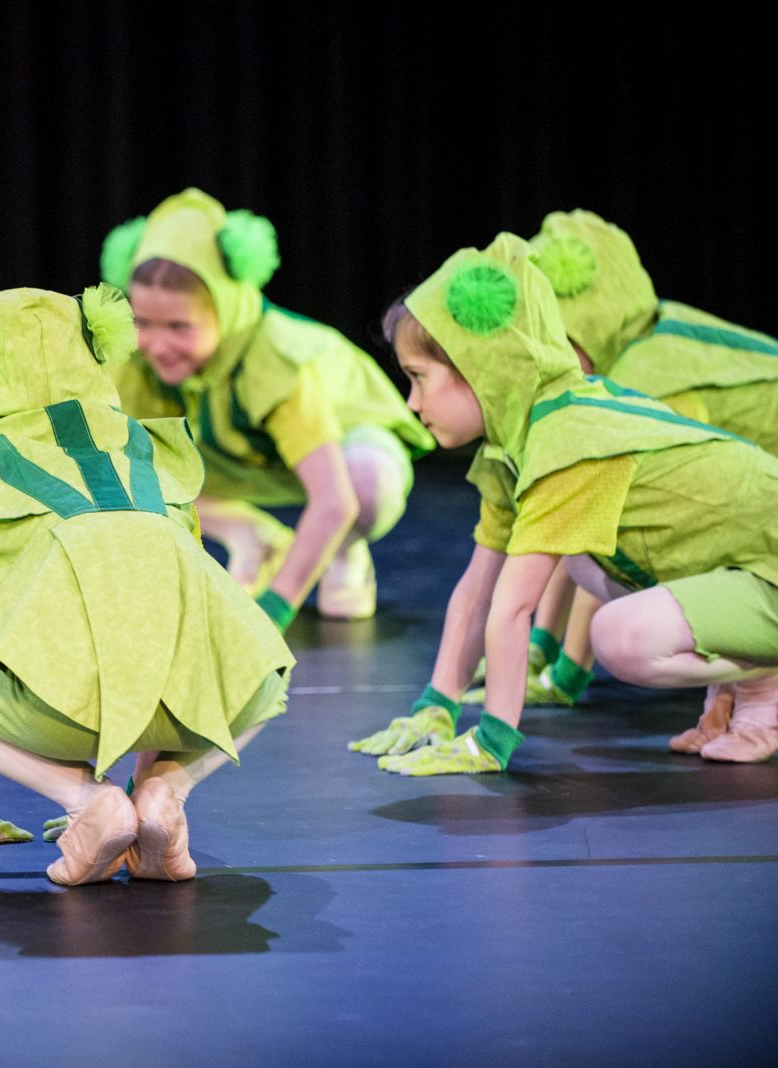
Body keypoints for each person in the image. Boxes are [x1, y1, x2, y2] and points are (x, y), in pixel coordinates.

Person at [0, 285, 293, 884]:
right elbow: (182, 621)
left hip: (58, 709)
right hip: (194, 712)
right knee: (259, 662)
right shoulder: (156, 460)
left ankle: (87, 801)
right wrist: (153, 776)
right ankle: (164, 796)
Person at [350, 233, 778, 774]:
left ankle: (764, 673)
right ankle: (759, 673)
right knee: (581, 561)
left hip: (768, 563)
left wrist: (491, 741)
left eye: (418, 378)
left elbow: (513, 608)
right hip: (742, 568)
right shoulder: (520, 443)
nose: (411, 402)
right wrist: (436, 706)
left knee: (619, 637)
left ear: (480, 369)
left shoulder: (564, 436)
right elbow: (477, 588)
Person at [463, 210, 778, 734]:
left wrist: (566, 672)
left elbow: (617, 517)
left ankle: (763, 671)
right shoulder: (651, 333)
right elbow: (580, 532)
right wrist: (544, 654)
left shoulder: (647, 376)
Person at [100, 189, 433, 628]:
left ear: (226, 309)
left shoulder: (274, 357)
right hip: (240, 462)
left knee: (369, 480)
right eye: (143, 322)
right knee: (119, 458)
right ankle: (249, 534)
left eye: (180, 326)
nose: (157, 345)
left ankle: (343, 549)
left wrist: (272, 612)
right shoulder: (136, 359)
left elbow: (334, 498)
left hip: (332, 462)